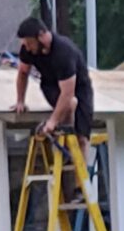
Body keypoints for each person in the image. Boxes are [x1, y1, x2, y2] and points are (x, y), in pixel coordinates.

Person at [12, 17, 94, 155]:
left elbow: (68, 93)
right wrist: (20, 100)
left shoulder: (64, 52)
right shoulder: (28, 50)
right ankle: (62, 132)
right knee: (68, 104)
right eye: (25, 44)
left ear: (41, 36)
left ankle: (80, 172)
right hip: (50, 85)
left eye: (30, 43)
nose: (27, 48)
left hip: (79, 88)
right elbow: (23, 72)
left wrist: (53, 121)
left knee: (81, 138)